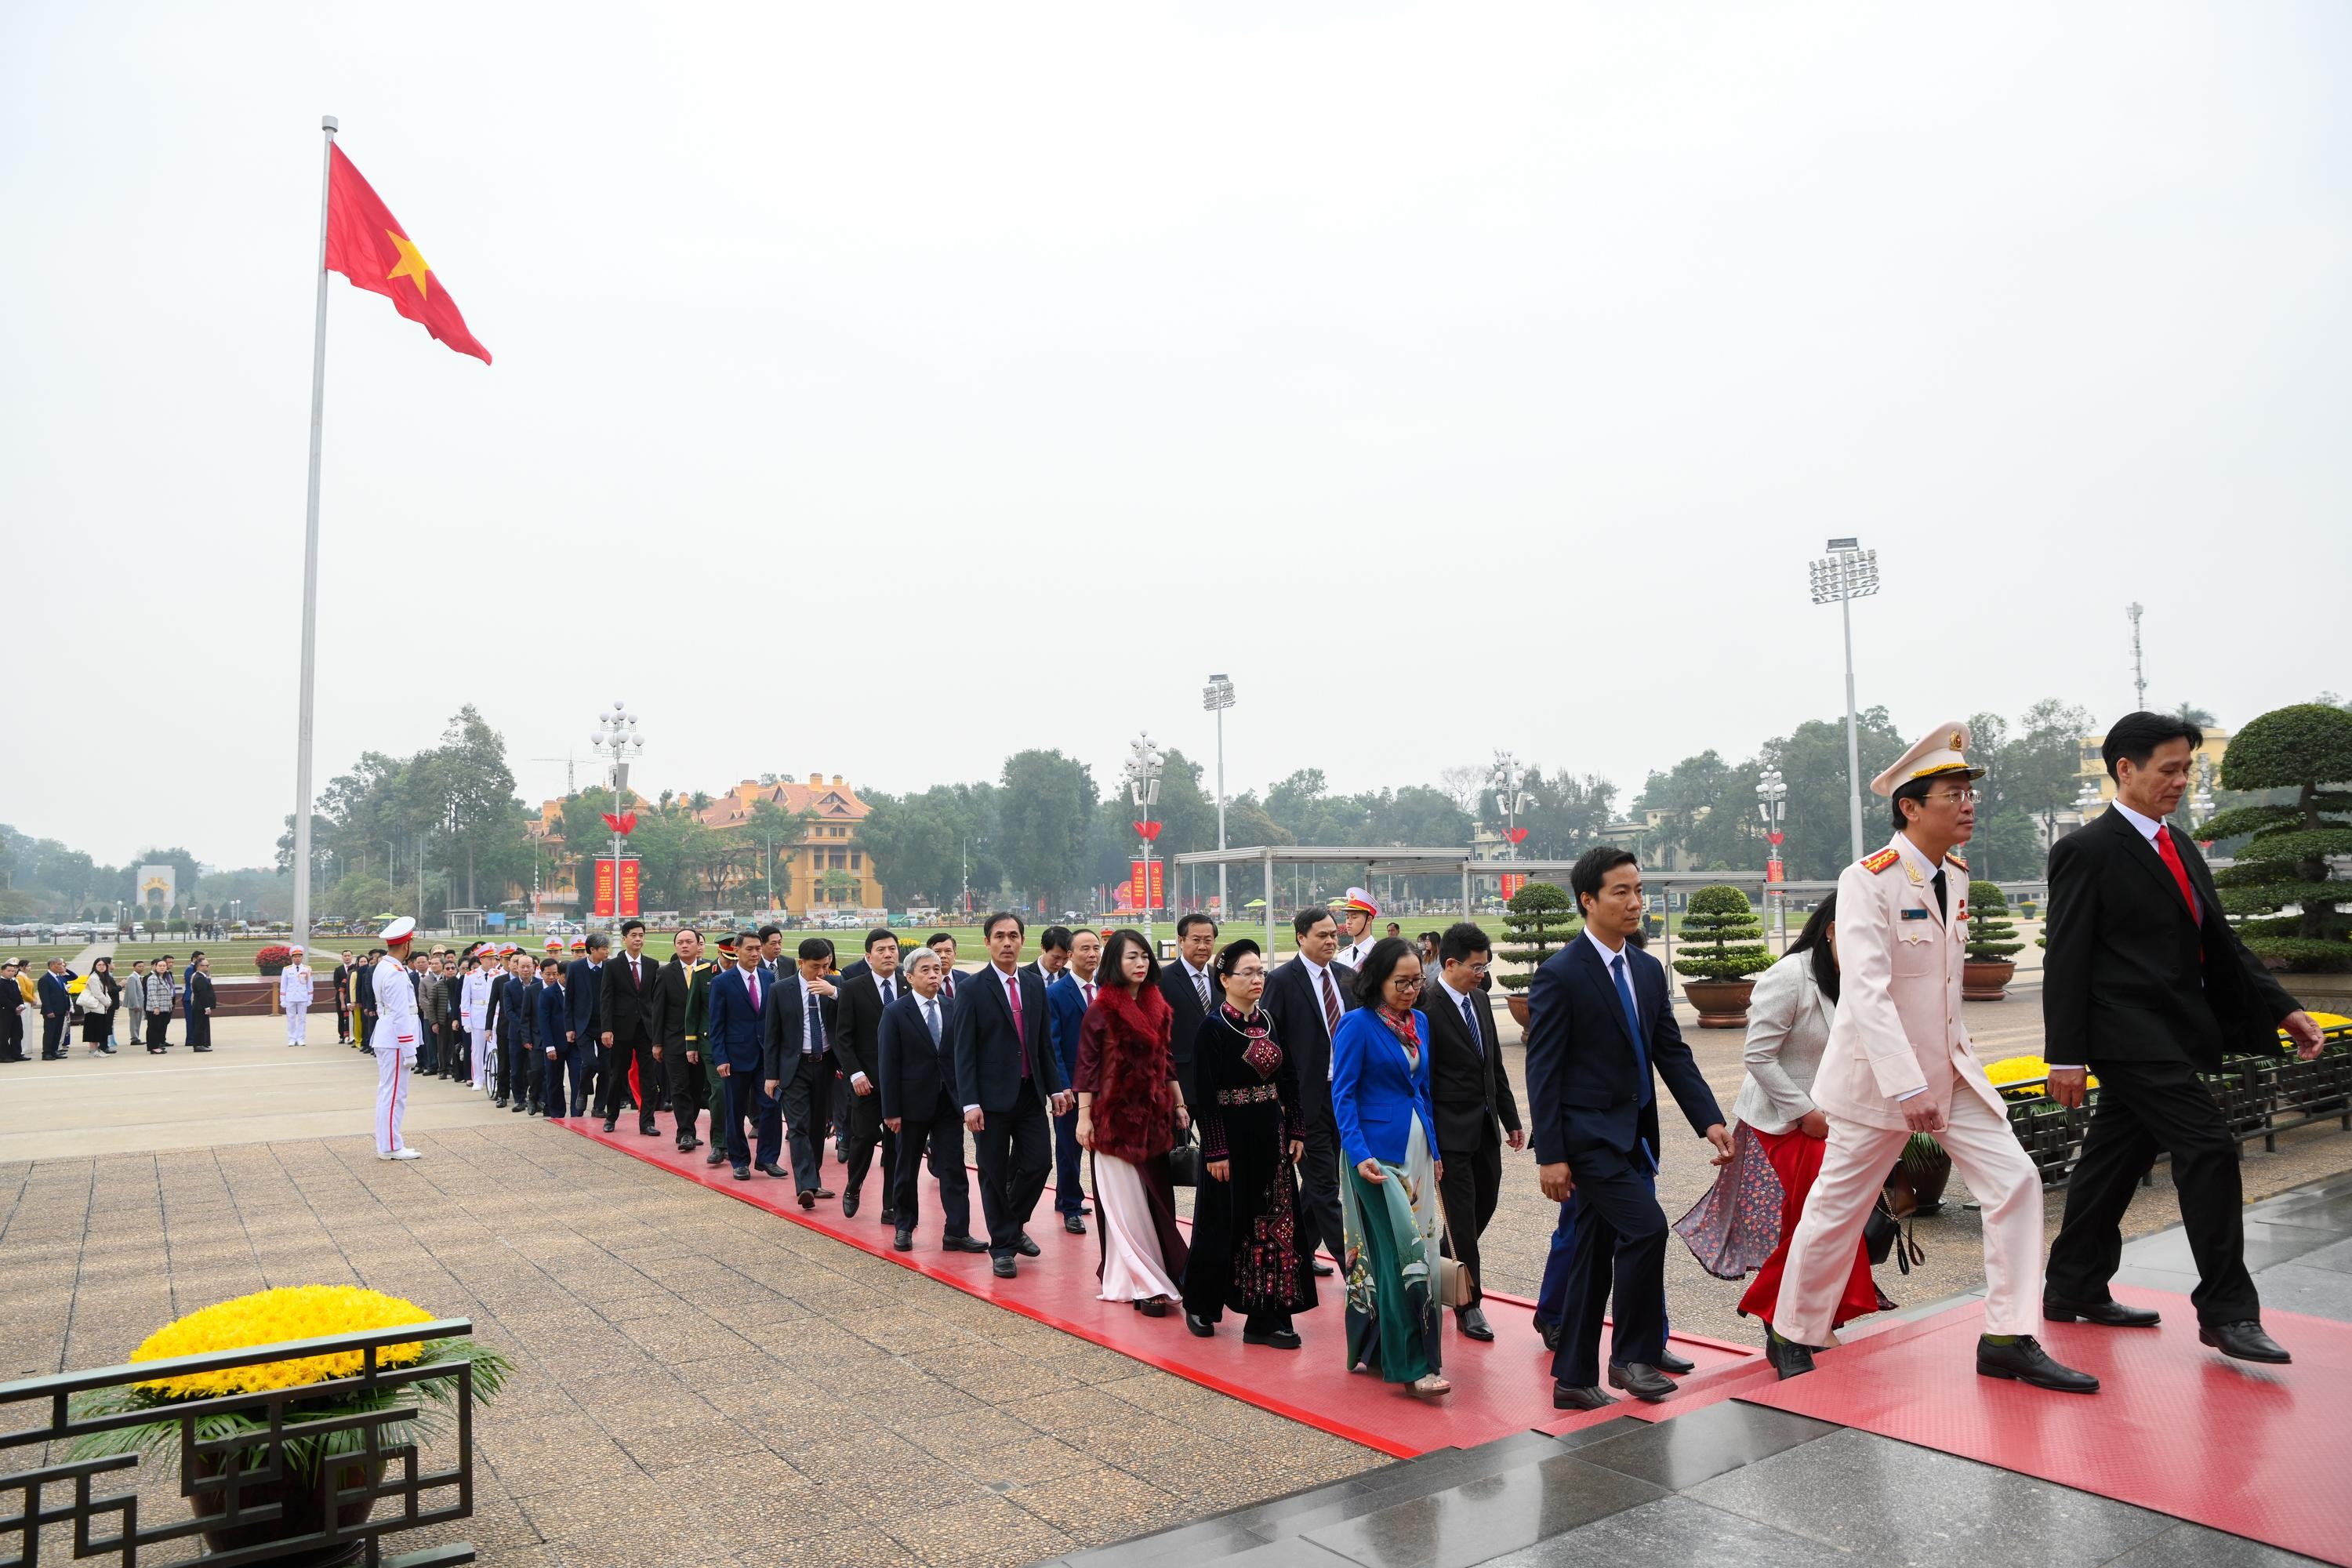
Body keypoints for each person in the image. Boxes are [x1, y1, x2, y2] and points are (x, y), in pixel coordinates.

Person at [1774, 722, 2096, 1393]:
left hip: (1950, 1073)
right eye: (1953, 793)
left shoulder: (1955, 873)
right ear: (1910, 807)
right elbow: (1865, 992)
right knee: (1838, 1207)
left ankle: (2008, 1334)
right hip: (1878, 1083)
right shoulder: (1868, 881)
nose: (1968, 805)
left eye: (1969, 792)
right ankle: (1793, 1329)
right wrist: (1906, 1084)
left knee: (2016, 1182)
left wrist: (1937, 1075)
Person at [2044, 713, 2325, 1365]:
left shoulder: (2181, 845)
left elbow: (2218, 942)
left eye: (2187, 768)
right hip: (2126, 1034)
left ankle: (2074, 1284)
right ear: (2125, 769)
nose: (2181, 781)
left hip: (2176, 1031)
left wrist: (2283, 1007)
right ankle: (2227, 1311)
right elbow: (2066, 958)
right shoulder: (2086, 850)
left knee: (2112, 1160)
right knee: (2208, 1146)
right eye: (2169, 769)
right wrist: (2065, 1056)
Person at [1527, 848, 1733, 1410]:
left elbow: (1670, 1051)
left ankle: (1572, 1378)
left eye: (1638, 890)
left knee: (1593, 1254)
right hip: (1587, 1138)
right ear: (1588, 901)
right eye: (1621, 891)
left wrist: (1709, 1119)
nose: (1635, 902)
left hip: (1633, 1135)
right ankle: (1632, 1358)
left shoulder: (1645, 969)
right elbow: (1542, 1071)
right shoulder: (1560, 975)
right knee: (1646, 1228)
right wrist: (1550, 1153)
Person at [1716, 895, 1881, 1337]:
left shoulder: (1863, 978)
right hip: (1787, 1120)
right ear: (1830, 929)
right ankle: (1783, 1318)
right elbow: (1758, 1056)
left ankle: (1812, 1317)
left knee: (1826, 1221)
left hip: (1838, 1120)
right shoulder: (1790, 975)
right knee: (1817, 1220)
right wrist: (1805, 1112)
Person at [1330, 938, 1448, 1397]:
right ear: (1377, 979)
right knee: (1405, 1259)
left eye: (1418, 980)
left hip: (1417, 1151)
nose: (1412, 990)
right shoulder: (1356, 1026)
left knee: (1416, 1255)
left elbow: (1421, 1092)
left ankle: (1378, 1348)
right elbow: (1343, 1096)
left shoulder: (1418, 1022)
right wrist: (1359, 1156)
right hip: (1376, 1160)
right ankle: (1414, 1365)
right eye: (1402, 982)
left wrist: (1435, 1151)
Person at [1184, 938, 1317, 1345]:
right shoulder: (1212, 1028)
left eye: (1260, 971)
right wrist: (1217, 1149)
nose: (1257, 979)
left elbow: (1289, 1079)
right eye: (1248, 972)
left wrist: (1296, 1129)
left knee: (1274, 1226)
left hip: (1270, 1139)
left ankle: (1266, 1317)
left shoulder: (1271, 1021)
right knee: (1221, 1222)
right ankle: (1201, 1304)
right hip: (1229, 1140)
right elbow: (1204, 1096)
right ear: (1225, 979)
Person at [951, 912, 1073, 1278]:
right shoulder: (972, 989)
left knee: (1038, 1164)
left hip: (1029, 1094)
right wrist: (969, 1103)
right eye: (1000, 936)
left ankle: (1012, 1223)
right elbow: (963, 1050)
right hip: (989, 1100)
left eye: (1014, 936)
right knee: (991, 1172)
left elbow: (1042, 1046)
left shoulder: (1035, 985)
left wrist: (1055, 1087)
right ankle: (1002, 1246)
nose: (1007, 942)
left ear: (1023, 941)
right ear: (987, 942)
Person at [1074, 929, 1189, 1314]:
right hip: (1113, 1122)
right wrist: (1084, 1119)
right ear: (1114, 963)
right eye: (1131, 958)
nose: (1140, 964)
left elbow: (1166, 1060)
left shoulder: (1158, 1004)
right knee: (1124, 1206)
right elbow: (1087, 1068)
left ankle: (1159, 1273)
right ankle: (1143, 1284)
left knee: (1156, 1199)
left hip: (1154, 1120)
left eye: (1144, 956)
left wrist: (1179, 1104)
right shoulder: (1101, 1009)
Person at [1425, 922, 1523, 1343]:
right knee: (1462, 1219)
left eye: (1485, 966)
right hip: (1448, 1135)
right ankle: (1468, 1304)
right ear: (1451, 964)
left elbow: (1493, 1065)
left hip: (1483, 1129)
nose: (1483, 974)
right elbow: (1422, 1083)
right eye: (1477, 967)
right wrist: (1430, 1145)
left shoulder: (1480, 1001)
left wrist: (1511, 1118)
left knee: (1487, 1202)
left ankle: (1441, 1267)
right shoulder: (1426, 1009)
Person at [1262, 907, 1356, 1277]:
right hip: (1304, 1102)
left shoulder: (1348, 979)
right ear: (1301, 937)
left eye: (1334, 934)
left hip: (1345, 1097)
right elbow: (1269, 1041)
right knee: (1325, 1185)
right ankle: (1355, 1269)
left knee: (1320, 1184)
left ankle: (1296, 1249)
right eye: (1322, 935)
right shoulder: (1283, 980)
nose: (1331, 940)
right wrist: (1280, 1100)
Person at [878, 948, 987, 1254]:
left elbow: (964, 1057)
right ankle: (904, 1225)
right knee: (906, 1167)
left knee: (953, 1168)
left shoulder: (954, 1008)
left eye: (937, 969)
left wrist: (968, 1101)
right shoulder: (896, 1012)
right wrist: (891, 1110)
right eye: (925, 970)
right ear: (909, 977)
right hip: (911, 1105)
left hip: (948, 1103)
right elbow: (888, 1064)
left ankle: (957, 1231)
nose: (933, 975)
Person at [830, 929, 907, 1221]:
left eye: (892, 949)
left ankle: (891, 1205)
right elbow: (844, 1037)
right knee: (863, 1139)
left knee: (895, 1146)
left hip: (900, 1083)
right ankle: (853, 1186)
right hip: (867, 1082)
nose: (888, 954)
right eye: (881, 950)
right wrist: (856, 1074)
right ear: (868, 956)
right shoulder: (853, 987)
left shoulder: (907, 984)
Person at [764, 938, 840, 1201]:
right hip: (794, 1068)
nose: (820, 973)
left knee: (819, 1126)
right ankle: (806, 1185)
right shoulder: (780, 990)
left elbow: (854, 1011)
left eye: (825, 966)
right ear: (801, 963)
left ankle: (813, 1179)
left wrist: (833, 992)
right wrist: (771, 1075)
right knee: (797, 1126)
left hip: (826, 1064)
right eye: (815, 967)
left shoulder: (835, 985)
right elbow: (772, 1035)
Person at [710, 931, 785, 1181]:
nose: (755, 954)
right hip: (736, 1056)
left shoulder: (767, 977)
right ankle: (740, 1160)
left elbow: (773, 1020)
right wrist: (720, 1058)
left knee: (771, 1105)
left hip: (765, 1057)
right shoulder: (723, 982)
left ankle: (768, 1159)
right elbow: (717, 1024)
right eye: (750, 949)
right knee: (735, 1110)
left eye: (757, 949)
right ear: (736, 949)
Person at [1045, 929, 1104, 1234]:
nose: (1092, 954)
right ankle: (1069, 1204)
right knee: (1070, 1147)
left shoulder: (1108, 990)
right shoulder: (1055, 993)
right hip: (1071, 1083)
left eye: (1096, 948)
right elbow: (1052, 1044)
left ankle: (1081, 1199)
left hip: (1104, 1084)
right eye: (1085, 949)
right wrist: (1062, 1085)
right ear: (1069, 955)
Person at [596, 920, 662, 1136]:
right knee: (617, 1075)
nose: (638, 939)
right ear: (624, 939)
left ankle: (647, 1122)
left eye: (641, 935)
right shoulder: (613, 966)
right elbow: (605, 998)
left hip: (646, 1028)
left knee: (649, 1076)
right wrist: (607, 1029)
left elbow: (655, 998)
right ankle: (611, 1116)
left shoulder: (652, 965)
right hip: (621, 1028)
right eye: (633, 935)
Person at [372, 919, 423, 1160]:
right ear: (406, 946)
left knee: (388, 1094)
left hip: (387, 1036)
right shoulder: (394, 973)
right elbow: (401, 1014)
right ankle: (391, 1146)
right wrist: (409, 1048)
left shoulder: (384, 967)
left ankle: (388, 1143)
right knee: (394, 1096)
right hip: (394, 1039)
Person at [653, 926, 707, 1151]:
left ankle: (688, 1128)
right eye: (680, 942)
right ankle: (685, 1132)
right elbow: (658, 1009)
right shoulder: (666, 973)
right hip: (674, 1040)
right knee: (679, 1087)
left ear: (698, 945)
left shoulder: (708, 970)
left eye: (689, 942)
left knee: (696, 1088)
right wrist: (657, 1043)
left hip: (702, 1041)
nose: (684, 946)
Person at [1159, 914, 1218, 1116]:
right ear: (1181, 941)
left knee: (1217, 1147)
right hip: (1180, 1081)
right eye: (1196, 940)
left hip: (1215, 1082)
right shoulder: (1163, 979)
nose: (1203, 946)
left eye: (1208, 940)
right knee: (1176, 1147)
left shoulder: (1220, 978)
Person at [691, 932, 737, 1163]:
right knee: (719, 1092)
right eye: (728, 958)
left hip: (738, 1044)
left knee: (736, 1095)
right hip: (711, 1044)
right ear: (719, 953)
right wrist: (691, 1044)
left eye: (734, 959)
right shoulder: (702, 974)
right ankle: (719, 1144)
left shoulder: (742, 974)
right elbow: (693, 1011)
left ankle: (734, 1143)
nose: (731, 964)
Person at [537, 954, 586, 1117]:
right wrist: (549, 1046)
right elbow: (544, 1022)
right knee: (554, 1080)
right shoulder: (548, 994)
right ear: (559, 975)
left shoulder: (579, 992)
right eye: (567, 977)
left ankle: (576, 1113)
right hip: (555, 1045)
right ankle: (557, 1112)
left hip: (575, 1045)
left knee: (577, 1079)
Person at [78, 956, 120, 1054]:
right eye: (99, 965)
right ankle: (93, 1051)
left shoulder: (102, 977)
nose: (101, 967)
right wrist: (107, 1003)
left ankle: (96, 1050)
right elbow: (98, 994)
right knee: (93, 1030)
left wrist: (108, 1002)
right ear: (95, 966)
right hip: (93, 1008)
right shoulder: (94, 978)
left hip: (101, 1008)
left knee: (99, 1030)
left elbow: (105, 992)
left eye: (103, 965)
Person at [38, 957, 76, 1060]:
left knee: (57, 1032)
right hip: (52, 1012)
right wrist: (49, 1011)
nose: (62, 966)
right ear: (52, 966)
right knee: (50, 1032)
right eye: (60, 964)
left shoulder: (59, 978)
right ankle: (47, 1053)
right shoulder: (45, 979)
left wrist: (67, 1008)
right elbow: (45, 998)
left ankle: (54, 1051)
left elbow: (64, 994)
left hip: (61, 1011)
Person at [277, 946, 314, 1048]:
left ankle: (301, 1038)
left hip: (303, 997)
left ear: (302, 958)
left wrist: (310, 997)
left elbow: (310, 984)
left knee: (302, 1019)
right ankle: (292, 1039)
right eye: (295, 957)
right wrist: (282, 999)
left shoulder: (307, 969)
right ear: (292, 958)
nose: (297, 959)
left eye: (299, 957)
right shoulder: (287, 969)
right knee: (291, 1019)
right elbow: (283, 985)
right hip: (290, 997)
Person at [1336, 889, 1379, 971]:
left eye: (1354, 917)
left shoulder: (1379, 953)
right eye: (1347, 917)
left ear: (1369, 920)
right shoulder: (1342, 955)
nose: (1348, 922)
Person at [183, 956, 216, 1053]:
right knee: (200, 1026)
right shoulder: (200, 978)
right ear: (199, 966)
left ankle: (201, 1044)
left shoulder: (200, 976)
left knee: (201, 1025)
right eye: (206, 965)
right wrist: (207, 1006)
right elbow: (202, 994)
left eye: (208, 965)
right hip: (201, 1006)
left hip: (200, 1005)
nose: (207, 967)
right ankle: (198, 1045)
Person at [141, 958, 174, 1052]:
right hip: (155, 1009)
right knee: (154, 1028)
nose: (162, 967)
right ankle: (154, 1047)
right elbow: (152, 993)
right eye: (160, 966)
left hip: (164, 1008)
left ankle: (156, 1046)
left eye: (164, 966)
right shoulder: (153, 978)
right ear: (155, 967)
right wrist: (156, 1007)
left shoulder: (163, 977)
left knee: (159, 1027)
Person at [1, 960, 25, 1063]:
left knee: (18, 1033)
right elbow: (3, 999)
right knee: (4, 1035)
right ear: (2, 971)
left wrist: (21, 1005)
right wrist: (15, 1008)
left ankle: (16, 1054)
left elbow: (18, 995)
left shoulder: (14, 982)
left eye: (13, 971)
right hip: (4, 1012)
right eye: (9, 971)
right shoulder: (1, 983)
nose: (11, 972)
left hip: (16, 1012)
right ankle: (4, 1056)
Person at [926, 932, 960, 1001]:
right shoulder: (923, 982)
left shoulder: (965, 978)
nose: (943, 956)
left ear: (955, 955)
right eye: (937, 951)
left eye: (948, 951)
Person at [124, 958, 149, 1048]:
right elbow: (132, 992)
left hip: (140, 1003)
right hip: (136, 1004)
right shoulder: (132, 978)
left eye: (143, 966)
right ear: (134, 967)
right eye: (139, 966)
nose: (141, 968)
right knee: (134, 1021)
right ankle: (134, 1038)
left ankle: (136, 1037)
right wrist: (135, 1004)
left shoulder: (138, 977)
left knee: (138, 1021)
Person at [332, 952, 354, 1043]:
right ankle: (342, 1036)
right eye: (345, 956)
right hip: (341, 997)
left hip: (352, 997)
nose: (347, 957)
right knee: (341, 1017)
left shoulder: (355, 969)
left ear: (352, 957)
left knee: (351, 1017)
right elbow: (336, 983)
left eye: (349, 956)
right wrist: (343, 991)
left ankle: (352, 1035)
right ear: (342, 957)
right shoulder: (338, 969)